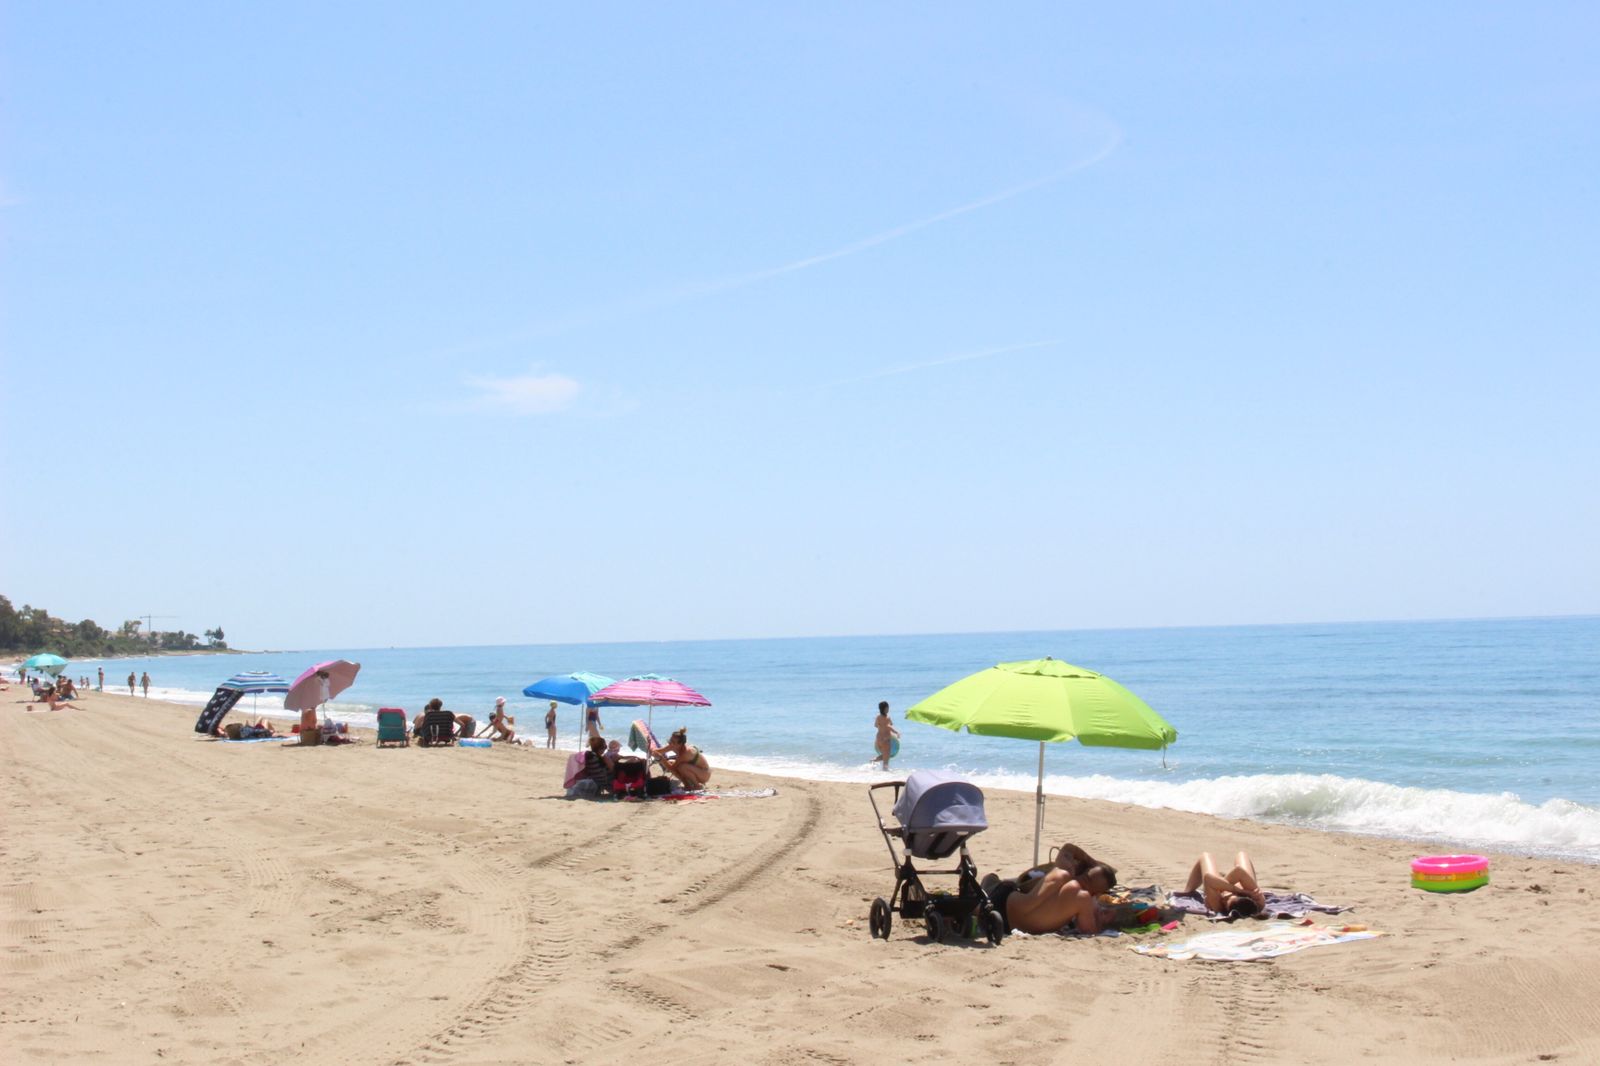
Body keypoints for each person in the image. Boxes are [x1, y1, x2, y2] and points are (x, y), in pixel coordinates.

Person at [985, 843, 1119, 935]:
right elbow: (1090, 932)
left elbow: (1068, 848)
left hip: (1005, 901)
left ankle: (985, 881)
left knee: (989, 882)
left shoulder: (1064, 872)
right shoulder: (1083, 899)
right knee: (989, 883)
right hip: (1008, 925)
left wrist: (1092, 863)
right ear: (1097, 893)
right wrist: (1103, 920)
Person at [1185, 851, 1266, 918]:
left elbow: (1207, 878)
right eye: (1227, 899)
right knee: (1241, 854)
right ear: (1241, 896)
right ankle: (1222, 883)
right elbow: (1238, 871)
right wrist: (1244, 891)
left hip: (1218, 887)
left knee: (1205, 856)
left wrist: (1223, 887)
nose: (1224, 899)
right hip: (1237, 886)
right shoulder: (1257, 900)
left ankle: (1186, 891)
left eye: (1225, 902)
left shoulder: (1219, 906)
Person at [873, 701, 900, 769]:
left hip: (878, 739)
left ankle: (873, 761)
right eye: (888, 707)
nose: (888, 709)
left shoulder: (877, 717)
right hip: (886, 740)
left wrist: (882, 726)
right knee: (886, 760)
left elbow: (876, 725)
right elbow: (889, 726)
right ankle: (885, 774)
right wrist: (896, 732)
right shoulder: (888, 717)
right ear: (885, 708)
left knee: (885, 756)